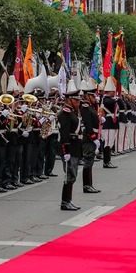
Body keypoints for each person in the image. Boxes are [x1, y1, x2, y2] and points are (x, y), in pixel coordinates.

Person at [57, 79, 82, 211]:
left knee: (72, 175)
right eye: (76, 100)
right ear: (70, 100)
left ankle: (68, 200)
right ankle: (65, 202)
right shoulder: (66, 113)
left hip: (75, 147)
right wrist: (65, 151)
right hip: (69, 148)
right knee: (69, 175)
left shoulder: (71, 112)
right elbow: (64, 133)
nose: (78, 103)